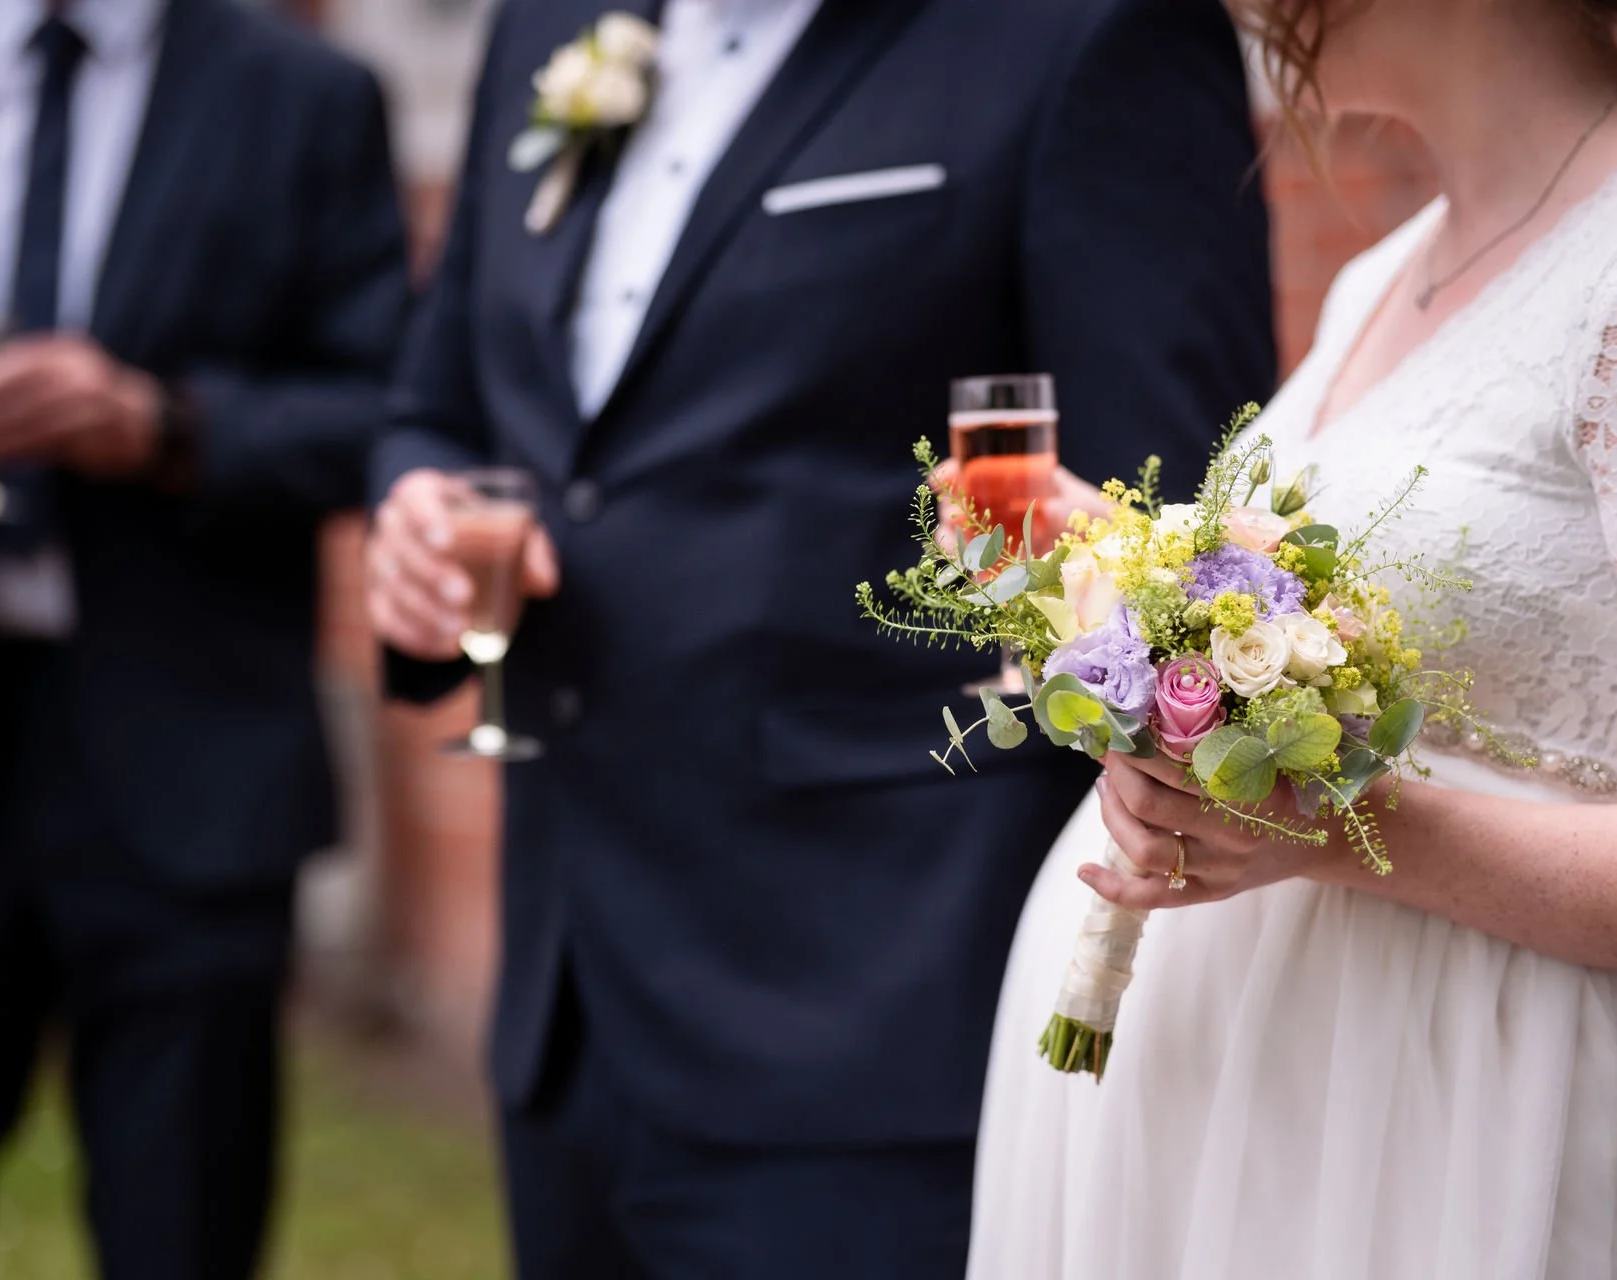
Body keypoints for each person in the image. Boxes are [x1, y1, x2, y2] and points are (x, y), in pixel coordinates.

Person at [364, 0, 1273, 1272]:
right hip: (569, 994)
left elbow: (1181, 531)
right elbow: (439, 402)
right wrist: (417, 516)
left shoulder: (1084, 36)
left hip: (876, 1018)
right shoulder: (543, 29)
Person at [969, 0, 1617, 1275]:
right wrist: (1129, 575)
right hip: (1271, 1142)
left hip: (1494, 1141)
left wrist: (1347, 830)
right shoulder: (1392, 268)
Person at [0, 0, 409, 1274]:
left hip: (188, 760)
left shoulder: (303, 95)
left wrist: (168, 427)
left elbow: (389, 410)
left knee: (180, 1225)